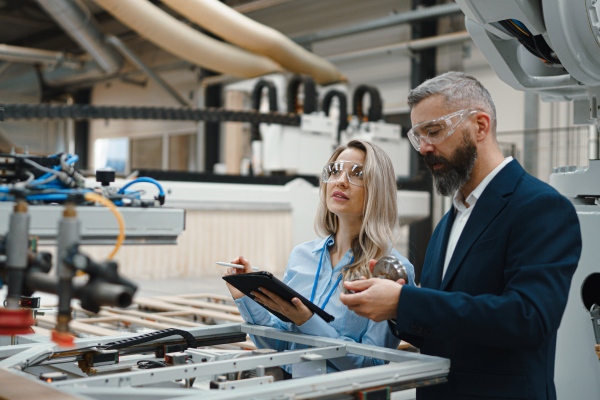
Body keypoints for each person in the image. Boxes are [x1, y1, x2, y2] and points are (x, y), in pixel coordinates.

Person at [340, 72, 582, 400]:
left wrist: (406, 301)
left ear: (480, 126)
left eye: (434, 131)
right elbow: (446, 331)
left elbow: (529, 319)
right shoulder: (450, 221)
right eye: (418, 136)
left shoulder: (540, 207)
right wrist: (397, 309)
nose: (424, 148)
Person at [224, 139, 415, 377]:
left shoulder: (389, 271)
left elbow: (372, 366)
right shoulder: (302, 257)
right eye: (335, 171)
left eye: (357, 174)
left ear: (378, 189)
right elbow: (281, 347)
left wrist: (309, 322)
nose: (341, 181)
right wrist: (246, 296)